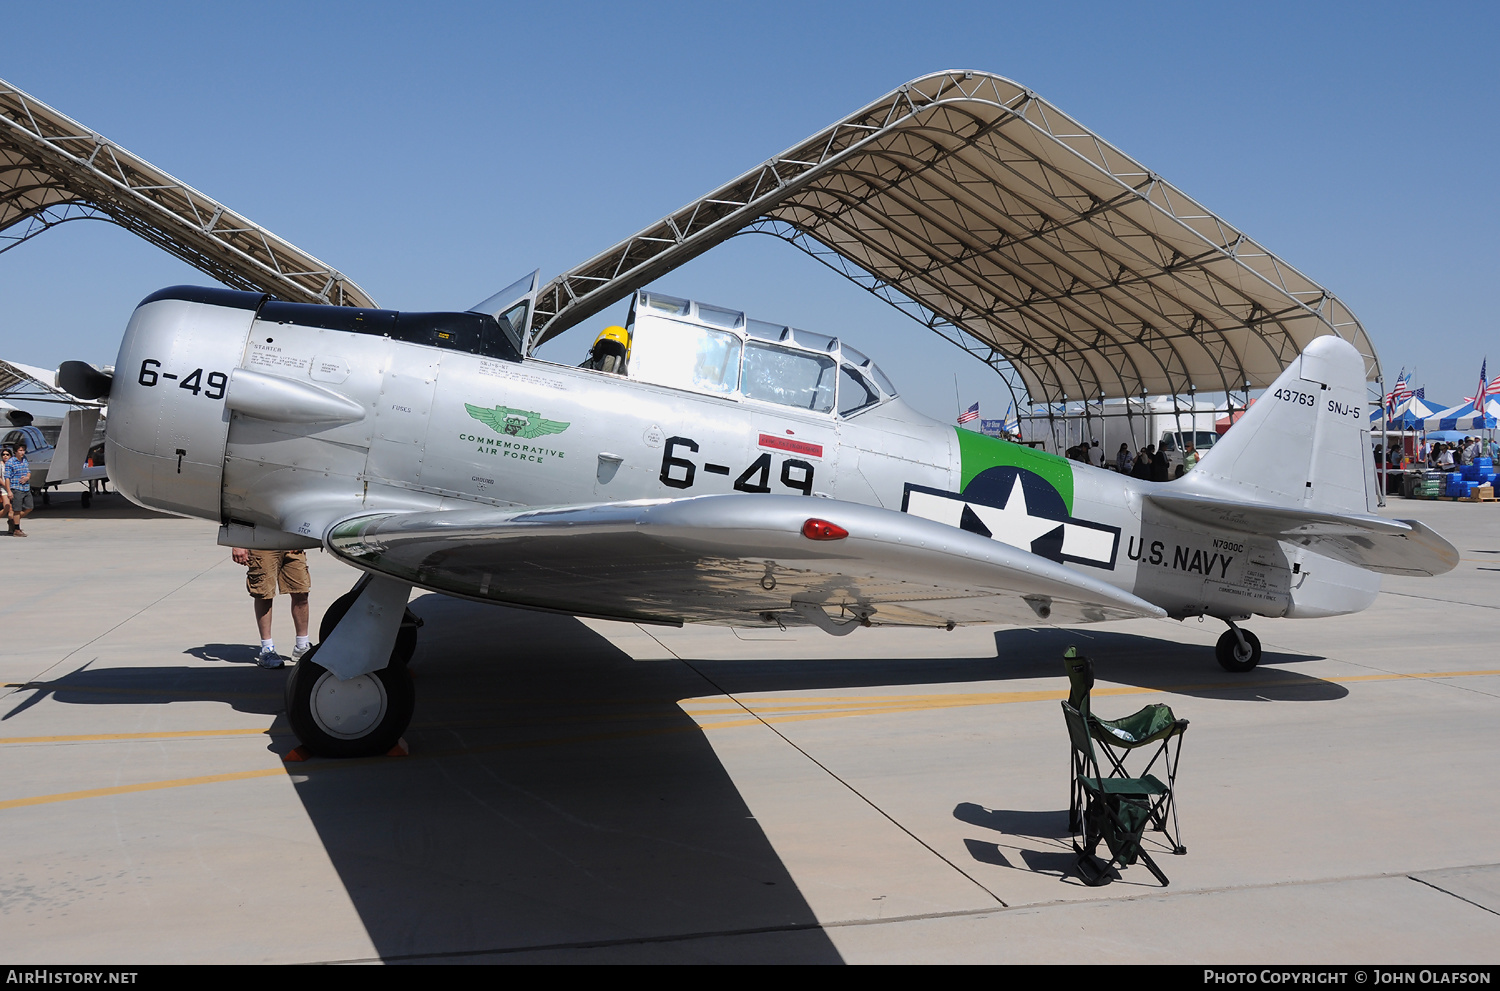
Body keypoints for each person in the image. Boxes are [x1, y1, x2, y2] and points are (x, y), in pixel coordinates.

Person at [232, 547, 312, 668]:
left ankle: (302, 646)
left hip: (291, 542)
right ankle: (267, 649)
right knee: (264, 594)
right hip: (263, 542)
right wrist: (238, 544)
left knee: (301, 592)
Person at [6, 442, 33, 537]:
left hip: (26, 487)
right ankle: (17, 530)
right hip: (16, 487)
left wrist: (27, 477)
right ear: (15, 452)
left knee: (29, 507)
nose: (22, 452)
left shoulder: (24, 460)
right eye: (20, 450)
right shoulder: (10, 462)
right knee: (17, 509)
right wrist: (9, 491)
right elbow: (7, 477)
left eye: (23, 450)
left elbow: (28, 471)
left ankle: (13, 521)